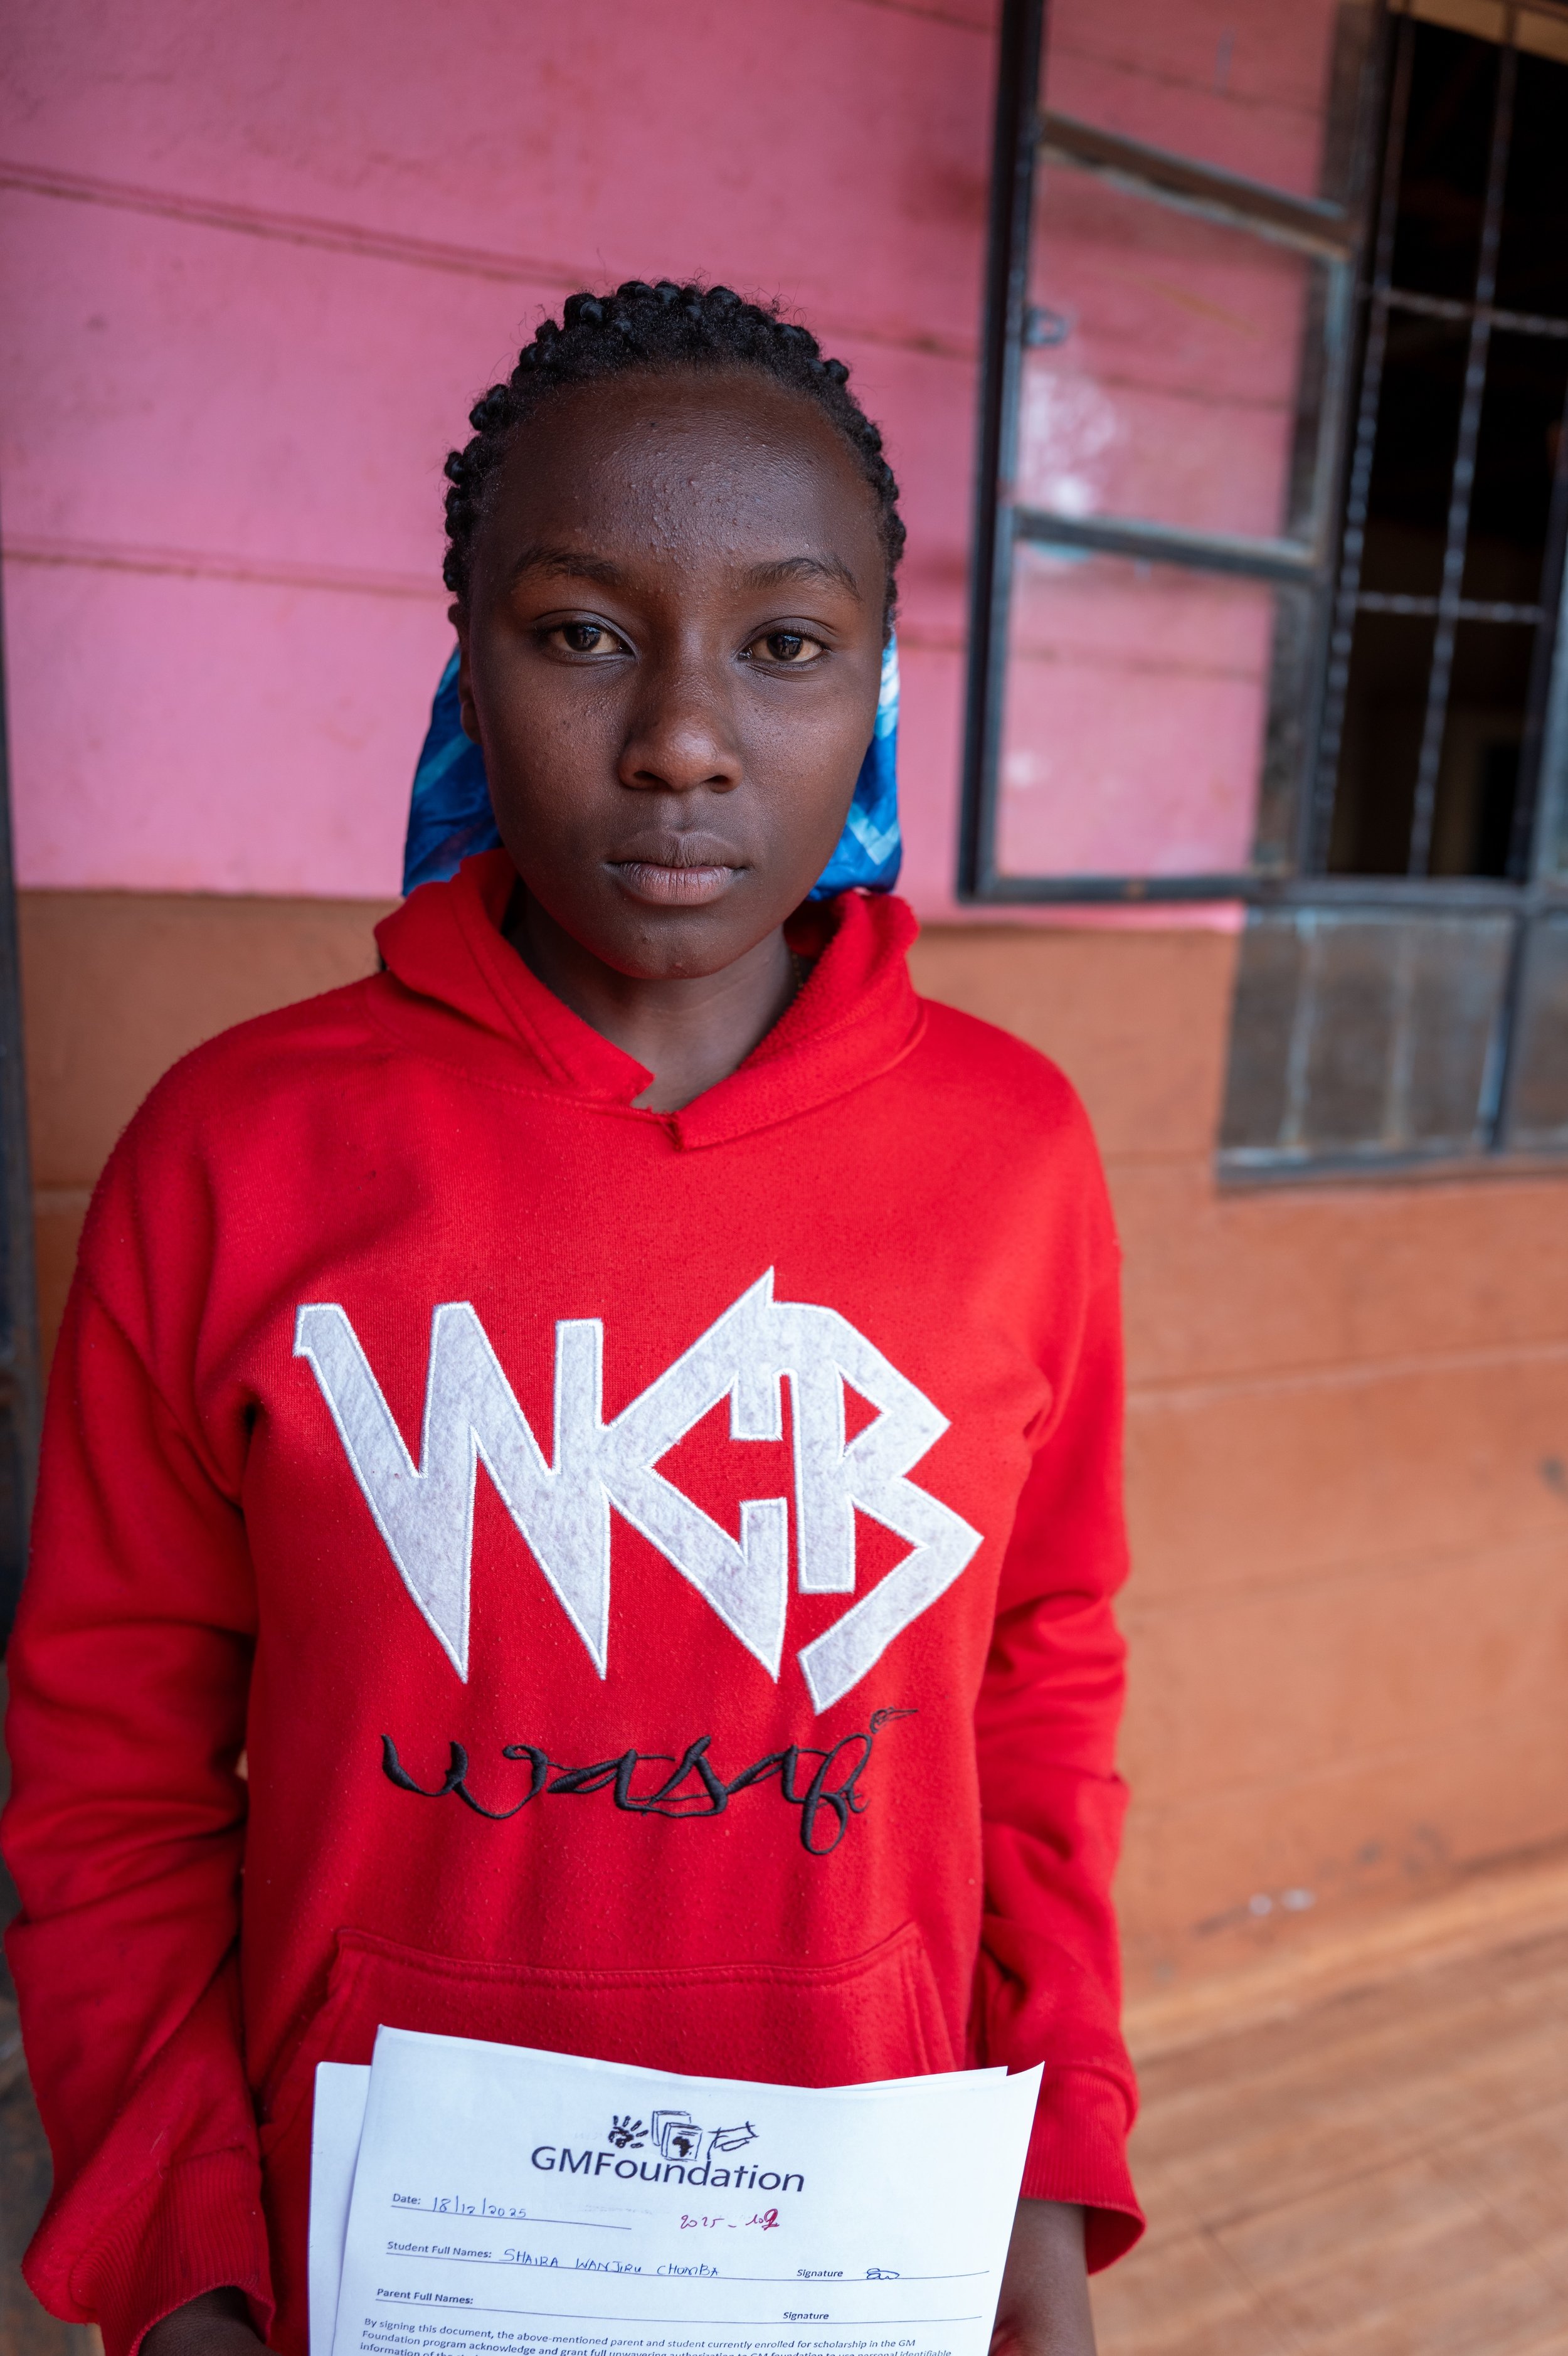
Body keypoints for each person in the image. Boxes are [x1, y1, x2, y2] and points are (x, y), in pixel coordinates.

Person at [2, 280, 1140, 2356]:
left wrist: (1043, 2176)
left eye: (784, 644)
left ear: (878, 683)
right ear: (467, 662)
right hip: (373, 2270)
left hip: (851, 2250)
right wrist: (184, 2261)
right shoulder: (234, 1151)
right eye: (582, 631)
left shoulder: (1015, 1155)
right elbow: (108, 1774)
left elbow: (1040, 1683)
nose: (683, 735)